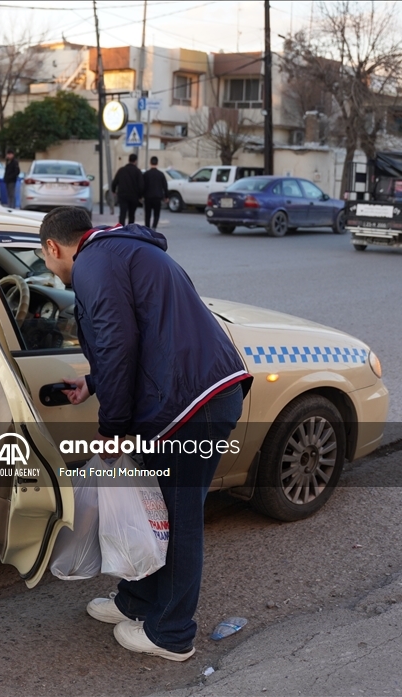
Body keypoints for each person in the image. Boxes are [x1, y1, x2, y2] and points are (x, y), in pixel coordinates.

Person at [38, 206, 252, 662]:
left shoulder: (95, 264)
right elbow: (147, 334)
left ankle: (171, 633)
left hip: (195, 406)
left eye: (45, 260)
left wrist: (112, 430)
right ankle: (136, 602)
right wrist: (93, 385)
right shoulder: (122, 252)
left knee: (178, 517)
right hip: (190, 399)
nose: (49, 270)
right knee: (152, 507)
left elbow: (119, 343)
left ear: (54, 247)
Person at [111, 153, 144, 226]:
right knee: (131, 214)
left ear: (128, 160)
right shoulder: (137, 171)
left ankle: (121, 229)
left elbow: (114, 182)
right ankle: (130, 230)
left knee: (122, 213)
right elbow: (141, 185)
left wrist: (113, 191)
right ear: (135, 161)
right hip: (134, 196)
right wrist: (140, 196)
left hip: (122, 196)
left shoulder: (121, 170)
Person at [143, 156, 168, 230]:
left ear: (150, 163)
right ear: (157, 163)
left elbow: (142, 185)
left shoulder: (146, 174)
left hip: (148, 197)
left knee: (148, 214)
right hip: (158, 197)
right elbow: (165, 186)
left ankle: (147, 228)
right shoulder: (161, 174)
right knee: (156, 213)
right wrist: (166, 196)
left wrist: (141, 195)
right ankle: (154, 227)